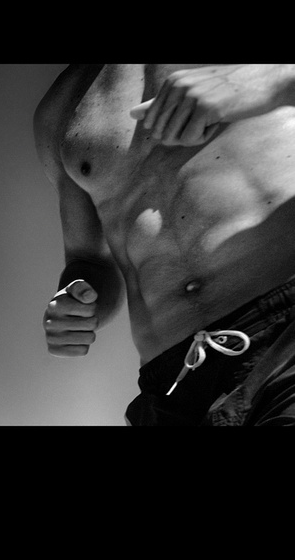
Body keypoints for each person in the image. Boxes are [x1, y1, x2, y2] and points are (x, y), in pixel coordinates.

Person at [34, 64, 295, 426]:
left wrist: (273, 80)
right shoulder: (61, 106)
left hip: (285, 332)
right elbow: (89, 260)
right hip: (171, 382)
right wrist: (76, 302)